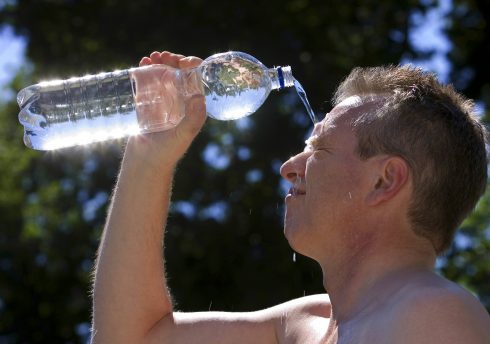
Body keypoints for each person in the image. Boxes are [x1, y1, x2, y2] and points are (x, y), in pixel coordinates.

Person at [91, 51, 490, 343]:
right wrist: (149, 155)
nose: (289, 167)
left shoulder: (435, 317)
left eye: (318, 149)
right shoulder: (307, 323)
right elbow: (131, 337)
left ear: (384, 182)